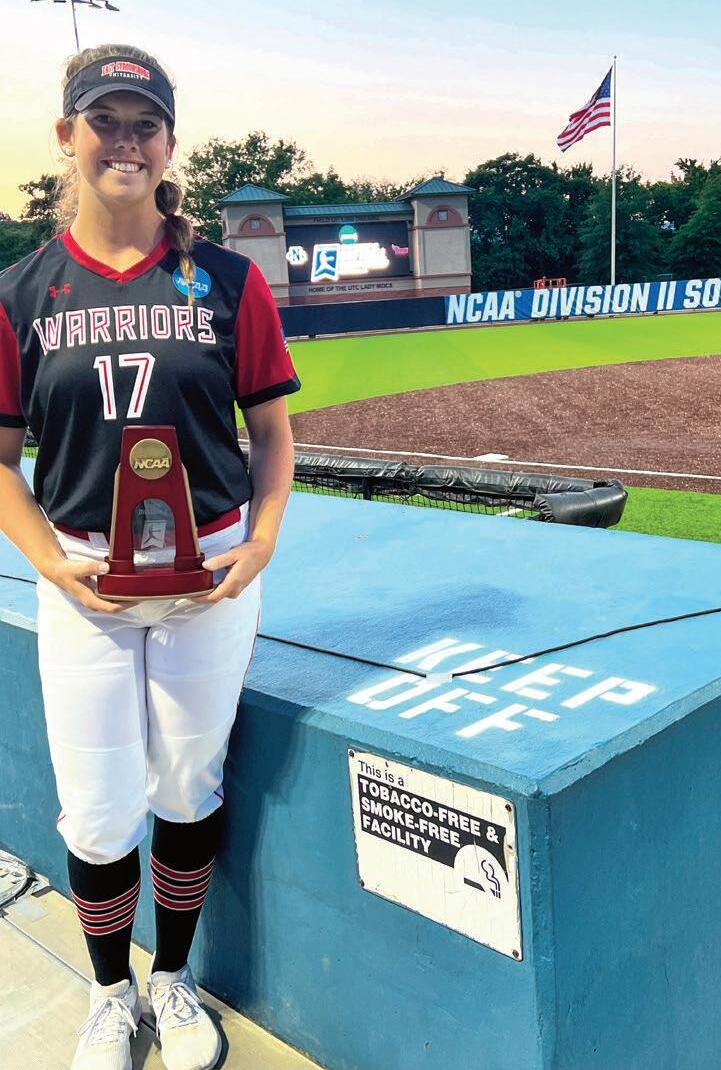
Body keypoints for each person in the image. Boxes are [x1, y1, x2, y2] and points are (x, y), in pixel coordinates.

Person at [0, 43, 300, 1070]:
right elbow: (1, 463)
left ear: (170, 143)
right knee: (96, 807)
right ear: (67, 136)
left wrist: (262, 539)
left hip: (208, 572)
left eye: (144, 124)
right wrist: (49, 561)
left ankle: (171, 978)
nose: (124, 142)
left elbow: (271, 435)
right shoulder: (21, 291)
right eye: (105, 121)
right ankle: (109, 991)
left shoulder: (226, 279)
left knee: (186, 785)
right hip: (84, 573)